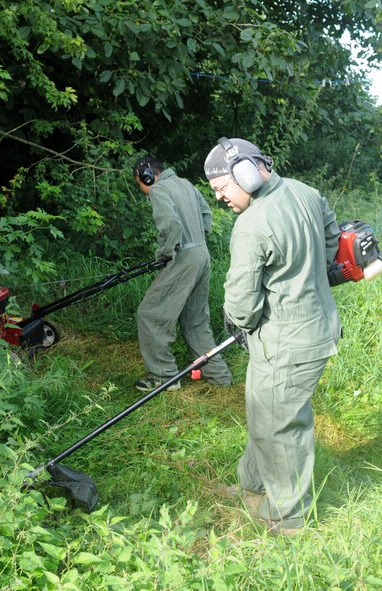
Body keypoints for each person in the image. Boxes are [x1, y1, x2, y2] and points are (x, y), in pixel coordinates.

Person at [204, 137, 341, 535]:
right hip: (312, 331)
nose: (221, 199)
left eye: (221, 189)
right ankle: (254, 486)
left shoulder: (251, 226)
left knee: (282, 427)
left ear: (244, 173)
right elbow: (332, 242)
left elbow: (242, 307)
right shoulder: (305, 191)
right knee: (262, 410)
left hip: (288, 343)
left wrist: (239, 318)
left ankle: (289, 517)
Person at [133, 154, 232, 392]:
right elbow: (207, 215)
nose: (143, 190)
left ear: (147, 175)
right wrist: (197, 238)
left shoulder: (159, 190)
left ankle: (163, 376)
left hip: (183, 258)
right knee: (195, 319)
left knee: (151, 314)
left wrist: (166, 253)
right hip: (202, 255)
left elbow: (170, 225)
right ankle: (219, 375)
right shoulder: (186, 184)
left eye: (140, 184)